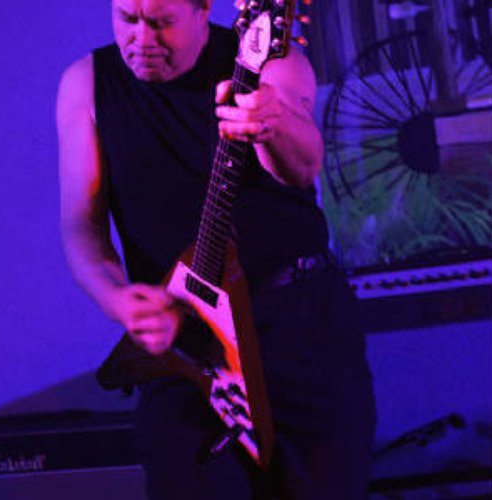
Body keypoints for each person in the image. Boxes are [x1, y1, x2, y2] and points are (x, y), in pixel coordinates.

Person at [56, 0, 376, 498]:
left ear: (203, 9)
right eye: (127, 19)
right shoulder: (86, 84)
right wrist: (115, 296)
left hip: (298, 320)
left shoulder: (268, 62)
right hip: (187, 333)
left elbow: (302, 168)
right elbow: (82, 223)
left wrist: (272, 122)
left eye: (162, 22)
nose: (142, 38)